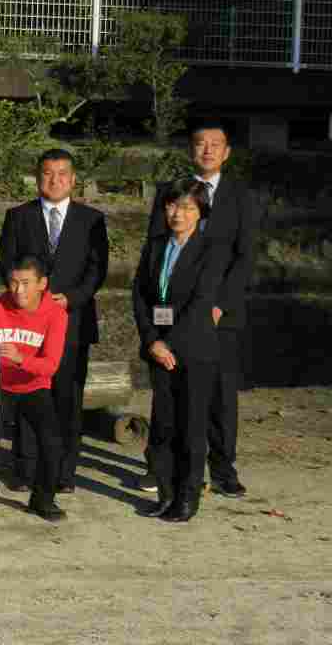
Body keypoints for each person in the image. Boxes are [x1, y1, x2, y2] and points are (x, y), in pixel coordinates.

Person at [141, 123, 255, 498]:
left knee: (220, 393)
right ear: (191, 150)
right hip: (170, 312)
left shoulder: (239, 195)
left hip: (219, 315)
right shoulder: (170, 192)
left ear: (226, 152)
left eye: (215, 144)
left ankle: (222, 467)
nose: (207, 150)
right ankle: (158, 465)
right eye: (200, 144)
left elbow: (244, 257)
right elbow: (155, 251)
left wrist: (219, 304)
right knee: (166, 393)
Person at [0, 148, 108, 494]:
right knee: (29, 396)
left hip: (72, 322)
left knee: (67, 400)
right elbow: (6, 264)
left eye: (62, 173)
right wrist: (31, 300)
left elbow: (97, 269)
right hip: (28, 324)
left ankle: (62, 473)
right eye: (47, 173)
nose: (55, 179)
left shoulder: (91, 219)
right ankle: (25, 469)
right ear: (38, 177)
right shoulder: (19, 216)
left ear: (74, 179)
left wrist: (70, 298)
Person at [133, 178, 229, 522]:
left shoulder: (210, 249)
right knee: (164, 425)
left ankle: (187, 498)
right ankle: (166, 493)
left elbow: (200, 302)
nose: (178, 213)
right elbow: (141, 296)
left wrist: (168, 342)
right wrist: (152, 341)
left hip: (194, 348)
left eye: (188, 207)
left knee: (191, 426)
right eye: (173, 205)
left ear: (201, 213)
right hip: (159, 349)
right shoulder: (156, 245)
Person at [0, 255, 68, 522]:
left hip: (34, 386)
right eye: (13, 282)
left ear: (42, 284)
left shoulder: (56, 314)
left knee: (52, 444)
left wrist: (21, 358)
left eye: (25, 283)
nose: (18, 290)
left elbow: (51, 366)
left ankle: (43, 500)